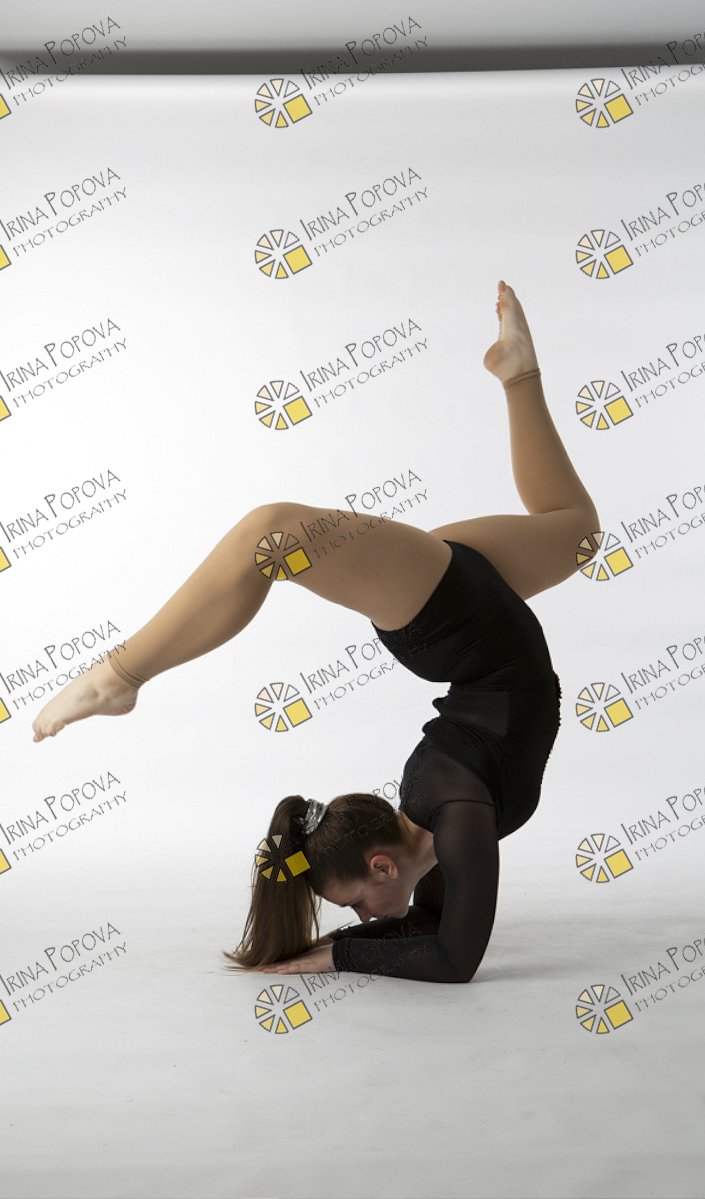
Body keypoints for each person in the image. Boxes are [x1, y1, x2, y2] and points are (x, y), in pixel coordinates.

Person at [31, 280, 600, 984]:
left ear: (382, 864)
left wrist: (333, 955)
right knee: (577, 534)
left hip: (462, 627)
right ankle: (518, 375)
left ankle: (118, 676)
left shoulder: (448, 813)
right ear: (383, 864)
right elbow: (446, 949)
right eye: (355, 908)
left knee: (272, 536)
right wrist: (334, 951)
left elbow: (446, 953)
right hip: (475, 629)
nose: (363, 917)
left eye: (353, 907)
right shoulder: (450, 823)